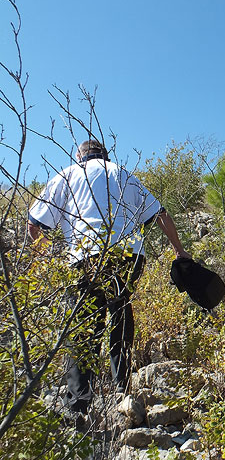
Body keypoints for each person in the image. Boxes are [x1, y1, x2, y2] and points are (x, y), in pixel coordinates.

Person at [27, 140, 190, 414]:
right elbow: (160, 213)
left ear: (79, 156)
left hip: (85, 255)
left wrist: (49, 260)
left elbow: (34, 225)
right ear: (105, 155)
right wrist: (179, 250)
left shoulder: (67, 175)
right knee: (120, 311)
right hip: (129, 255)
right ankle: (122, 389)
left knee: (83, 325)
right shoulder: (123, 174)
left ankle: (79, 404)